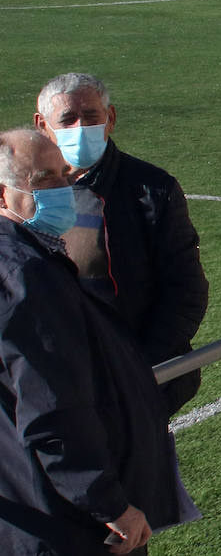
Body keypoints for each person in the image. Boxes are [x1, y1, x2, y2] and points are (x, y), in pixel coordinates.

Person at [0, 129, 200, 556]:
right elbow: (52, 409)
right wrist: (108, 503)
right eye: (43, 180)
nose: (63, 189)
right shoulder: (25, 276)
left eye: (63, 175)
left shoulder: (30, 260)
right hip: (63, 523)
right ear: (3, 194)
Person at [33, 73, 209, 415]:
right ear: (43, 125)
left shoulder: (151, 190)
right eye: (68, 119)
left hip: (133, 384)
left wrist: (140, 369)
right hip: (52, 383)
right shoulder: (22, 192)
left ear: (110, 118)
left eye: (91, 117)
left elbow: (185, 290)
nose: (81, 127)